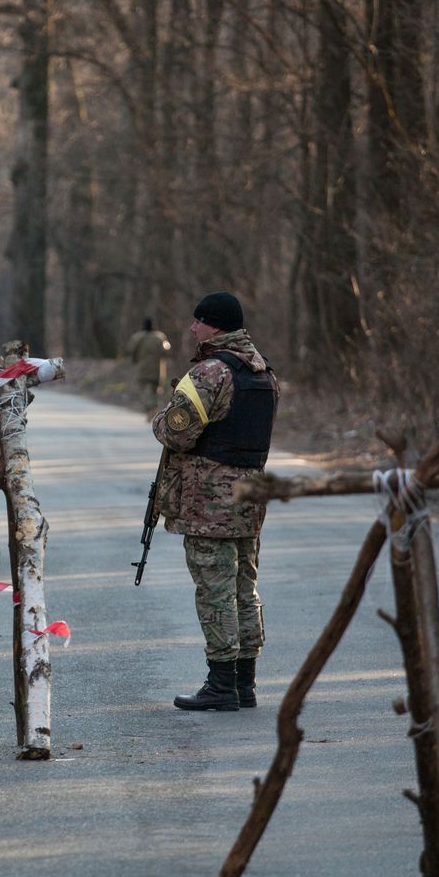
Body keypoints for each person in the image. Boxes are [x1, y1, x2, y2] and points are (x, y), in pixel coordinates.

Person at [151, 291, 278, 711]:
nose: (192, 328)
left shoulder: (210, 373)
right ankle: (245, 683)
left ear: (216, 326)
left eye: (198, 321)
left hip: (210, 504)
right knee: (245, 589)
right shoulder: (262, 372)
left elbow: (175, 432)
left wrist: (159, 418)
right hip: (250, 501)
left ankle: (221, 684)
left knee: (215, 591)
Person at [124, 317, 171, 417]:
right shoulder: (160, 337)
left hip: (141, 368)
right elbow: (166, 351)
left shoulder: (137, 337)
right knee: (156, 389)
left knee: (141, 388)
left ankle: (149, 407)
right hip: (157, 369)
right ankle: (153, 407)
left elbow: (129, 350)